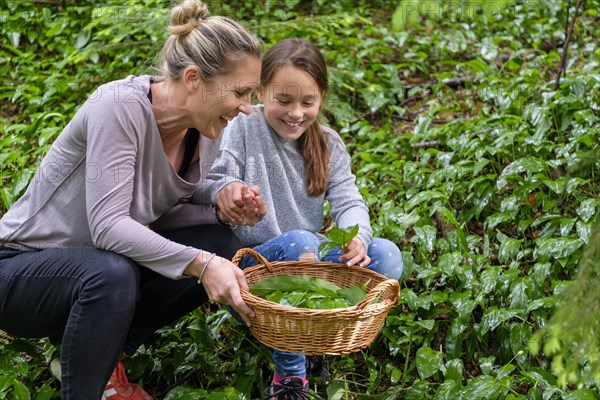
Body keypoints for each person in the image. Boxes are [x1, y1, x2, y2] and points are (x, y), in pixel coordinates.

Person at [0, 0, 264, 399]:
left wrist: (220, 210)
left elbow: (157, 215)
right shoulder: (119, 106)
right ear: (193, 78)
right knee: (113, 272)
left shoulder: (206, 130)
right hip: (19, 269)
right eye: (240, 93)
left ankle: (102, 355)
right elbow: (108, 227)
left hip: (96, 268)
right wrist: (202, 265)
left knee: (222, 243)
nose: (247, 108)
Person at [200, 38, 404, 400]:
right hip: (258, 272)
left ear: (321, 97)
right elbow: (215, 178)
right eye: (283, 101)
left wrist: (355, 238)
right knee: (300, 242)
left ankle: (314, 338)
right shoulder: (243, 129)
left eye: (307, 102)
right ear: (261, 91)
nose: (296, 113)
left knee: (386, 255)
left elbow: (349, 201)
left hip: (307, 268)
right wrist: (230, 192)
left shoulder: (327, 144)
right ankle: (290, 378)